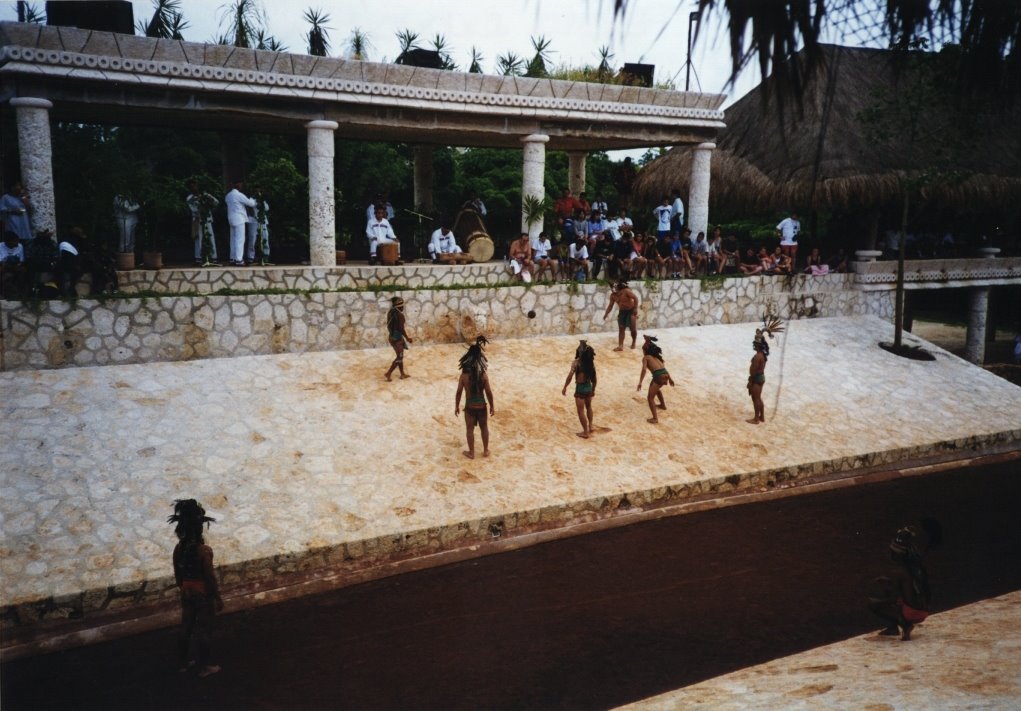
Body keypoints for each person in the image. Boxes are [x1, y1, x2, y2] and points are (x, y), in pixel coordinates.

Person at [168, 499, 223, 678]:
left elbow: (178, 575)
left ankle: (182, 663)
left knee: (186, 627)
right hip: (202, 593)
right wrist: (217, 596)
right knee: (204, 630)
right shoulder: (204, 551)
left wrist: (185, 588)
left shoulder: (179, 549)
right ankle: (204, 666)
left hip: (186, 591)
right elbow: (209, 576)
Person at [869, 520, 942, 641]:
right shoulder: (917, 567)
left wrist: (887, 589)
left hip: (912, 612)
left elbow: (895, 596)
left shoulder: (898, 572)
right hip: (924, 609)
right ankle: (897, 625)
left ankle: (904, 625)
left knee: (874, 603)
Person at [455, 336, 494, 459]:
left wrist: (456, 406)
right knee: (484, 427)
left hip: (470, 407)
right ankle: (486, 450)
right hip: (482, 406)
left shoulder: (464, 376)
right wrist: (492, 406)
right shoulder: (483, 375)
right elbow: (488, 392)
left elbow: (459, 392)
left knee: (469, 429)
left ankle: (471, 452)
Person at [747, 317, 784, 424]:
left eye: (755, 344)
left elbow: (754, 370)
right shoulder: (762, 355)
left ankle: (756, 418)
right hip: (760, 378)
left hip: (756, 379)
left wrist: (751, 380)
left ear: (758, 345)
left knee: (756, 399)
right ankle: (761, 416)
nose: (753, 345)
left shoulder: (758, 356)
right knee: (758, 398)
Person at [562, 340, 597, 438]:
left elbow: (570, 376)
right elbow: (594, 379)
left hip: (580, 389)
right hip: (589, 387)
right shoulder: (591, 364)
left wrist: (565, 387)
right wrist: (593, 389)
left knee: (580, 411)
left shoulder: (576, 363)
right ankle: (590, 426)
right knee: (589, 407)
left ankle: (585, 432)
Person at [637, 335, 674, 424]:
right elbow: (664, 369)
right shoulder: (658, 358)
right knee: (655, 389)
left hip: (658, 377)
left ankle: (655, 418)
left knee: (650, 398)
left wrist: (640, 382)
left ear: (645, 350)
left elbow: (644, 370)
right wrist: (670, 379)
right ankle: (662, 405)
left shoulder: (646, 358)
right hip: (665, 375)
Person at [187, 181, 219, 266]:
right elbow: (194, 209)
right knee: (199, 239)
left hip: (207, 219)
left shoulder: (205, 195)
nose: (194, 188)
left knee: (210, 237)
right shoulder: (190, 198)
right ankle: (199, 258)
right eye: (192, 186)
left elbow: (216, 202)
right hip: (198, 220)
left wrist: (208, 202)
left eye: (196, 185)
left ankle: (214, 257)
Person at [224, 181, 256, 267]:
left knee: (233, 239)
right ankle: (239, 259)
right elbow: (251, 204)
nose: (242, 186)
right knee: (239, 240)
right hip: (239, 219)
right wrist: (252, 197)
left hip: (231, 219)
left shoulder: (228, 195)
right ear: (237, 185)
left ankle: (232, 258)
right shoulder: (239, 195)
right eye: (241, 184)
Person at [604, 280, 638, 351]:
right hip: (622, 312)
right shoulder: (613, 296)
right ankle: (620, 346)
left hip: (631, 311)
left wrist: (635, 309)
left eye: (614, 287)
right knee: (621, 329)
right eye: (611, 287)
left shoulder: (626, 291)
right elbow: (610, 306)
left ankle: (634, 342)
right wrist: (606, 314)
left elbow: (635, 298)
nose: (613, 289)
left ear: (617, 287)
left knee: (633, 329)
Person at [384, 296, 412, 381]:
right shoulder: (399, 315)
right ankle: (388, 373)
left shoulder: (391, 313)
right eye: (402, 306)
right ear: (398, 306)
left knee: (400, 356)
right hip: (397, 339)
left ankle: (402, 374)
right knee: (399, 357)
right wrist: (407, 338)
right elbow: (401, 329)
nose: (403, 307)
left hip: (392, 337)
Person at [244, 186, 272, 266]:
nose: (258, 192)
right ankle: (250, 257)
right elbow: (250, 207)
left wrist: (261, 202)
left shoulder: (263, 200)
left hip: (262, 221)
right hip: (253, 221)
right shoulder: (250, 200)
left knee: (265, 237)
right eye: (256, 191)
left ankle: (265, 255)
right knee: (252, 238)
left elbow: (267, 208)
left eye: (259, 191)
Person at [0, 230, 27, 297]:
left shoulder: (20, 246)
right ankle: (4, 294)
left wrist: (18, 265)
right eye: (14, 241)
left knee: (23, 271)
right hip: (4, 267)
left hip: (16, 266)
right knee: (4, 272)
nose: (17, 243)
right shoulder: (0, 246)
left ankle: (21, 293)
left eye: (17, 240)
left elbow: (21, 260)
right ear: (7, 242)